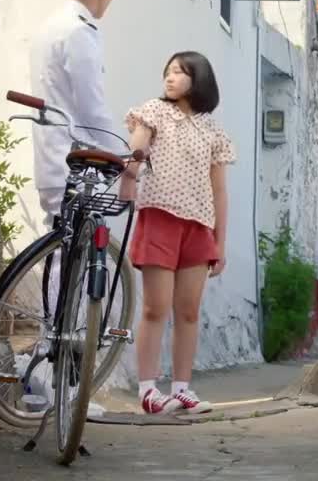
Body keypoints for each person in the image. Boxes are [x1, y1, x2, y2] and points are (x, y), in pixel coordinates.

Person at [120, 51, 236, 415]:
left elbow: (219, 189)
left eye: (179, 72)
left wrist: (219, 242)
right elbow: (138, 144)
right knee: (155, 308)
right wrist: (131, 170)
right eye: (167, 72)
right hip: (160, 216)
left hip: (199, 226)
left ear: (198, 79)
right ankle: (148, 391)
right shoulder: (154, 111)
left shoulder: (213, 130)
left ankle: (182, 388)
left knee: (188, 312)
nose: (170, 78)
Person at [29, 0, 134, 227]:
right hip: (75, 163)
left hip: (52, 157)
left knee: (60, 238)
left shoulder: (51, 25)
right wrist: (123, 154)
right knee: (75, 243)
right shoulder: (79, 31)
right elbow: (92, 108)